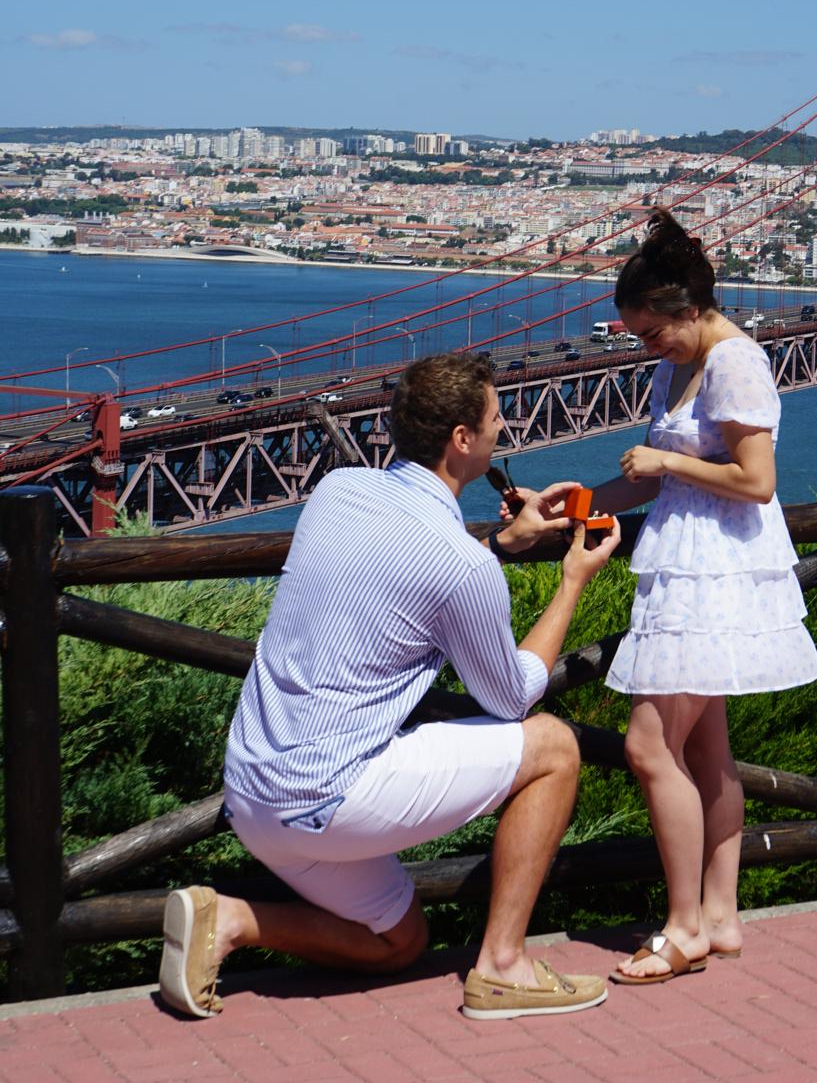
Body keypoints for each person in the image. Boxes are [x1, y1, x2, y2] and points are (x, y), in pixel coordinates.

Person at [158, 351, 620, 1022]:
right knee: (552, 747)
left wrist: (497, 542)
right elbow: (512, 696)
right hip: (326, 798)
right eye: (496, 419)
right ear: (463, 439)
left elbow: (404, 575)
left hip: (253, 792)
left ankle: (229, 918)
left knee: (397, 942)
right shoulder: (459, 564)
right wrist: (572, 579)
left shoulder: (337, 490)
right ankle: (503, 968)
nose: (503, 429)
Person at [589, 209, 817, 985]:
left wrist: (664, 462)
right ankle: (719, 917)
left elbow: (758, 483)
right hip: (691, 562)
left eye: (651, 333)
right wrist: (574, 501)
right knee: (706, 745)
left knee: (648, 744)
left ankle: (683, 926)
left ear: (688, 309)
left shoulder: (734, 362)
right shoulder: (682, 361)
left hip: (713, 573)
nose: (645, 347)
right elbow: (653, 467)